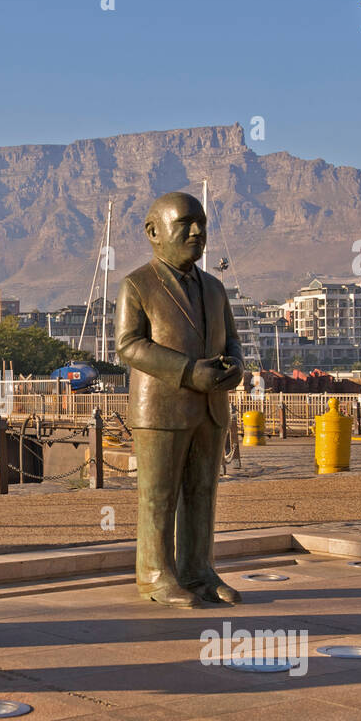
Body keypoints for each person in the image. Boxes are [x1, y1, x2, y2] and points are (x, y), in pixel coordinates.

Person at [115, 192, 244, 608]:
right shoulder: (137, 284)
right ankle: (155, 574)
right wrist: (191, 371)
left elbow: (233, 342)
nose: (197, 231)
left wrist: (235, 368)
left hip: (211, 408)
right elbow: (129, 345)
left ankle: (199, 570)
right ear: (154, 232)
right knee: (159, 495)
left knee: (202, 491)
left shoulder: (214, 288)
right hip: (161, 409)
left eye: (202, 224)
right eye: (186, 222)